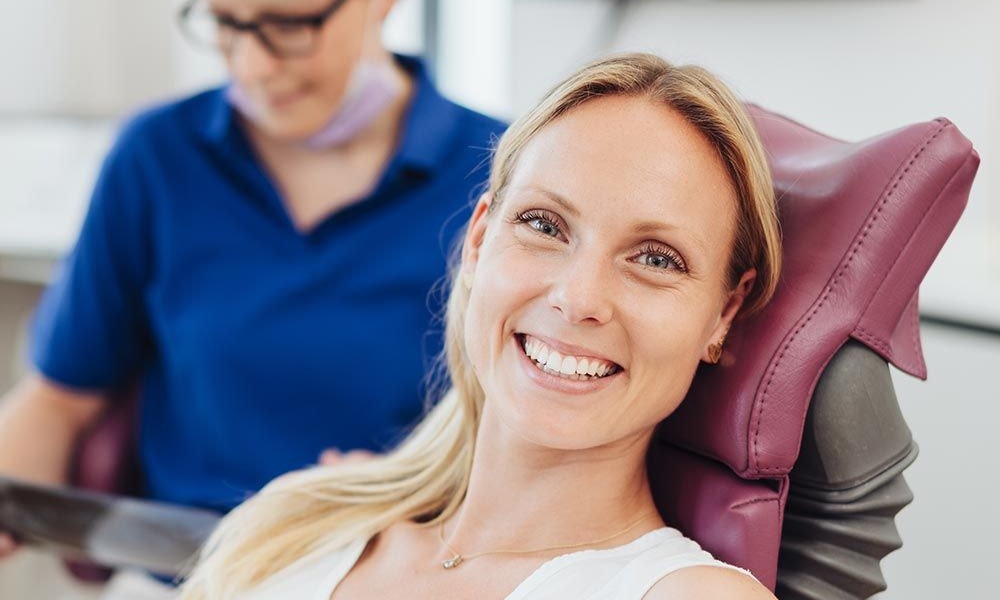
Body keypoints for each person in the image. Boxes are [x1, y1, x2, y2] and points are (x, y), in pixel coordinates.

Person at [178, 52, 783, 600]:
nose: (577, 299)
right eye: (544, 225)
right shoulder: (294, 524)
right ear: (478, 239)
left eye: (655, 259)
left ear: (723, 314)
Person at [0, 0, 504, 561]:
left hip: (394, 568)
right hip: (185, 567)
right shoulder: (157, 156)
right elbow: (59, 398)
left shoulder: (502, 172)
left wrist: (417, 484)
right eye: (226, 23)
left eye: (289, 25)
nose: (252, 66)